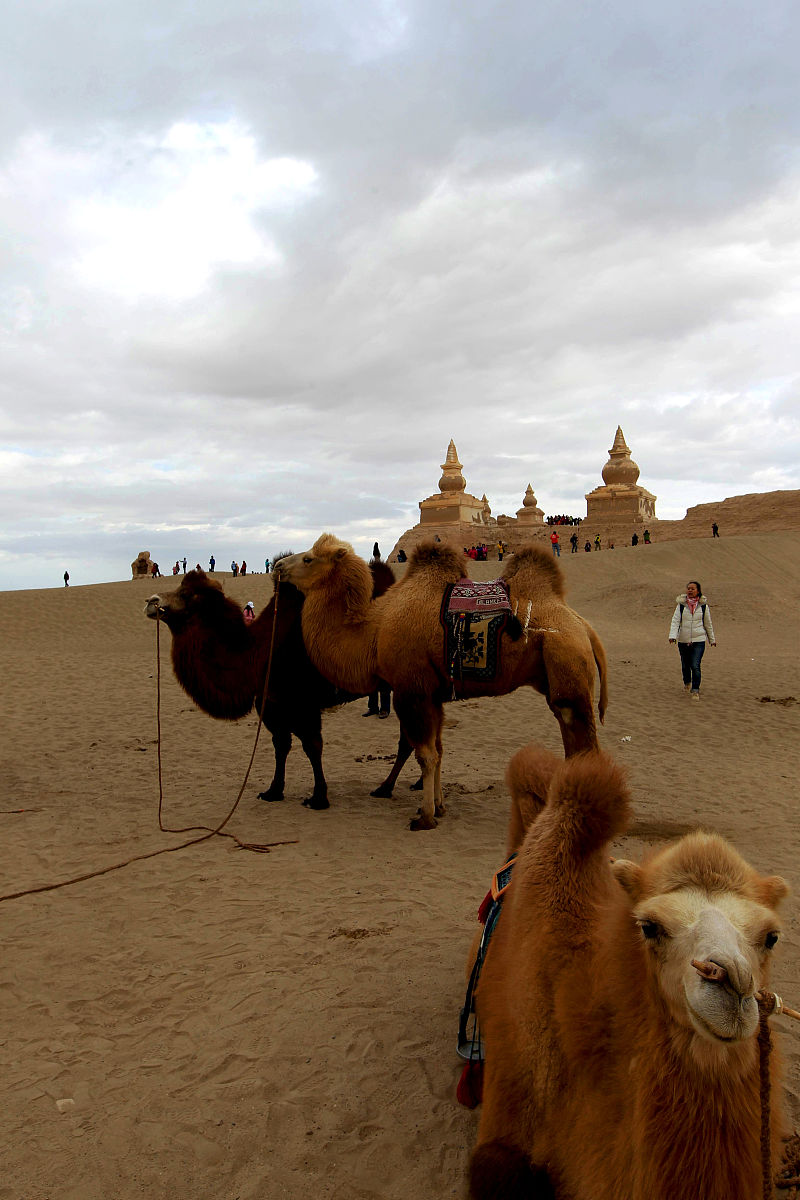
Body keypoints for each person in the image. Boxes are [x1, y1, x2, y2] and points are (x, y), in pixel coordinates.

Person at [668, 580, 716, 700]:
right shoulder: (681, 606)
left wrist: (712, 639)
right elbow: (675, 621)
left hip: (698, 639)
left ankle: (695, 690)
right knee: (685, 665)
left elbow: (708, 624)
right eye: (688, 588)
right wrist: (672, 636)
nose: (690, 590)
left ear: (698, 591)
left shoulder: (703, 606)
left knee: (695, 665)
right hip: (683, 640)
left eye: (693, 588)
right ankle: (687, 683)